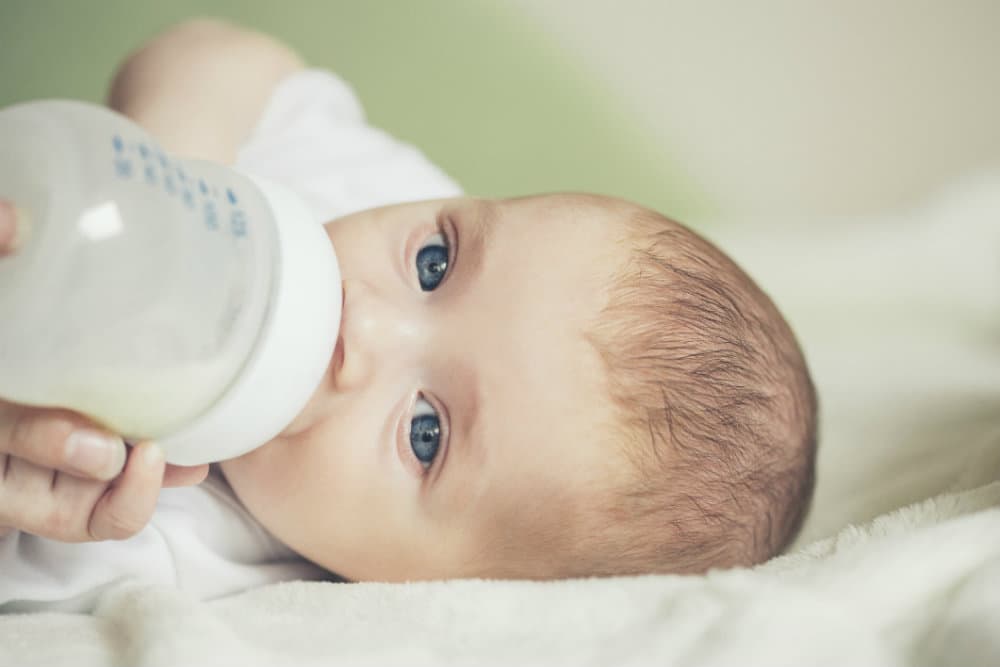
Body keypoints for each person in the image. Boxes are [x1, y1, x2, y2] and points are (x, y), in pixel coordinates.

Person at [0, 19, 817, 611]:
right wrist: (176, 161)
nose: (362, 328)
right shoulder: (365, 188)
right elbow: (220, 53)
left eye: (426, 433)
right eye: (437, 263)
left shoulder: (172, 549)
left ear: (426, 587)